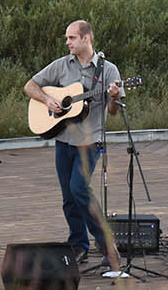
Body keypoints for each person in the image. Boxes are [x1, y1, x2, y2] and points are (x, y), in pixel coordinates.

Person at [24, 20, 123, 271]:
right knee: (69, 197)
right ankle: (79, 245)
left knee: (79, 189)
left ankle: (108, 247)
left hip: (91, 140)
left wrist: (113, 97)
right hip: (64, 139)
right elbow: (30, 86)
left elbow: (113, 112)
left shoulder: (108, 70)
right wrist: (47, 99)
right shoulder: (62, 65)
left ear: (86, 39)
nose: (67, 42)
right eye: (67, 38)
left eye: (72, 38)